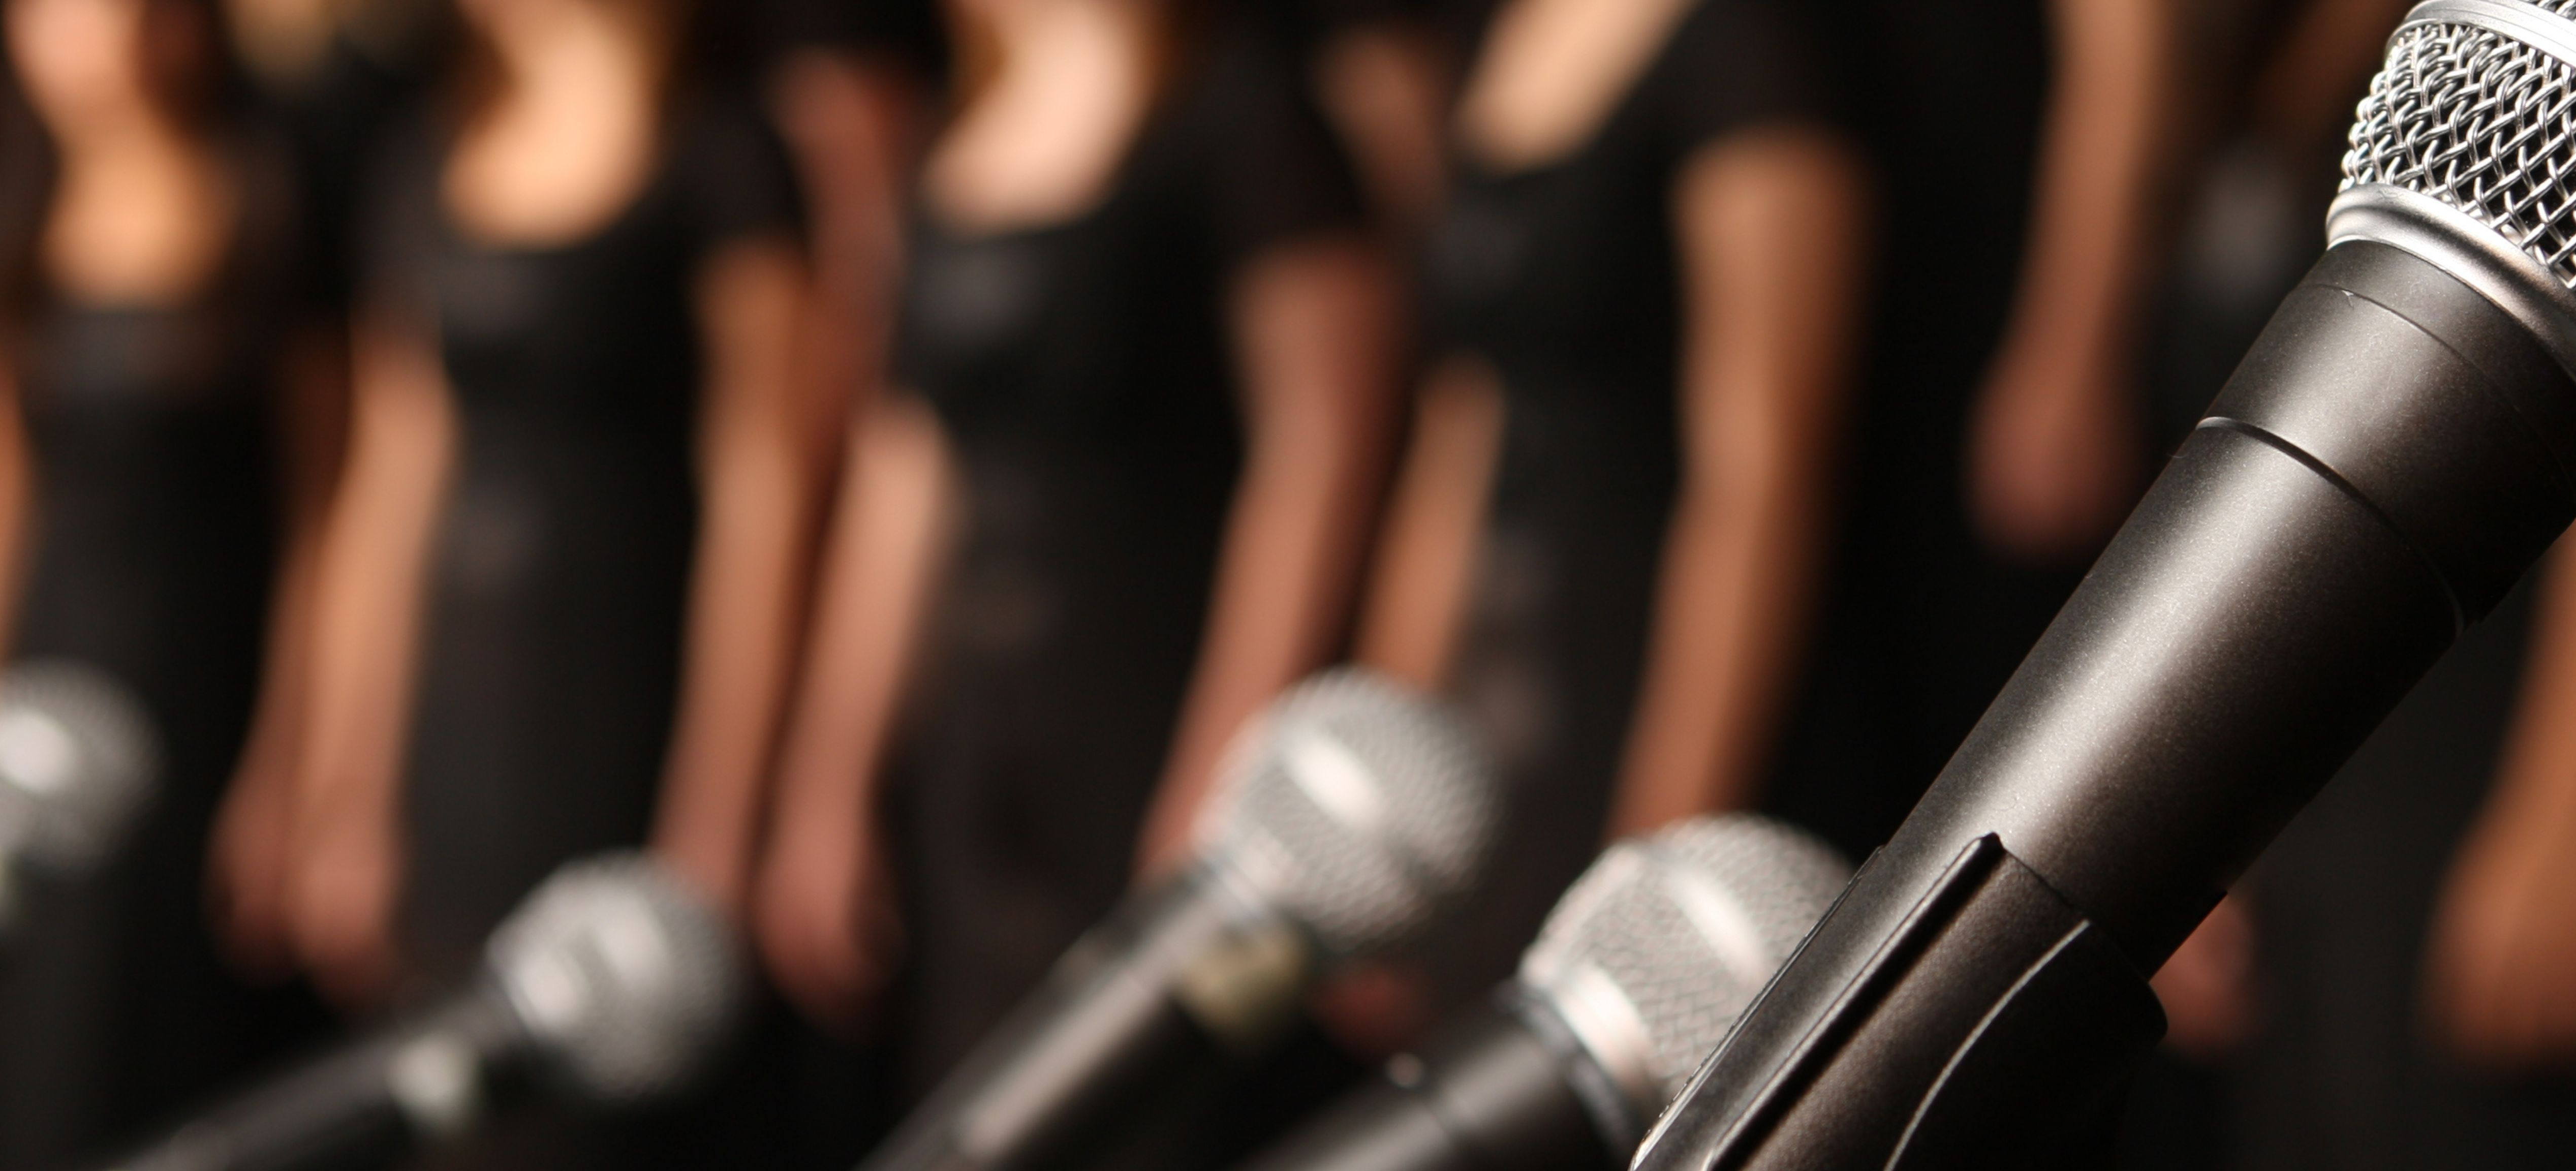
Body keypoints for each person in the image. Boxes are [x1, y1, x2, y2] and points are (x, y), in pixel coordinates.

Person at [742, 0, 1406, 1105]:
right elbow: (904, 480)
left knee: (1153, 1099)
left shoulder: (1242, 115)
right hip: (981, 755)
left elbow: (1323, 450)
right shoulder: (960, 127)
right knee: (983, 1089)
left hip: (1155, 723)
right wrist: (829, 780)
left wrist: (1225, 777)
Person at [267, 0, 824, 1046]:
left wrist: (716, 817)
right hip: (456, 740)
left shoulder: (724, 156)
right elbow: (389, 497)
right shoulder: (425, 151)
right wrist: (345, 787)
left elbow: (767, 500)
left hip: (624, 712)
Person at [0, 0, 338, 1162]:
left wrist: (297, 766)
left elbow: (325, 522)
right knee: (33, 1057)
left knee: (181, 1062)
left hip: (205, 694)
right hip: (44, 697)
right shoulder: (2, 234)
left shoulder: (277, 214)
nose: (112, 36)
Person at [1357, 0, 1868, 1028]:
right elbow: (1458, 431)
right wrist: (1386, 799)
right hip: (1498, 704)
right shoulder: (1493, 38)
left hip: (1649, 674)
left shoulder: (1748, 48)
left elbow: (1759, 475)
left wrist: (1655, 859)